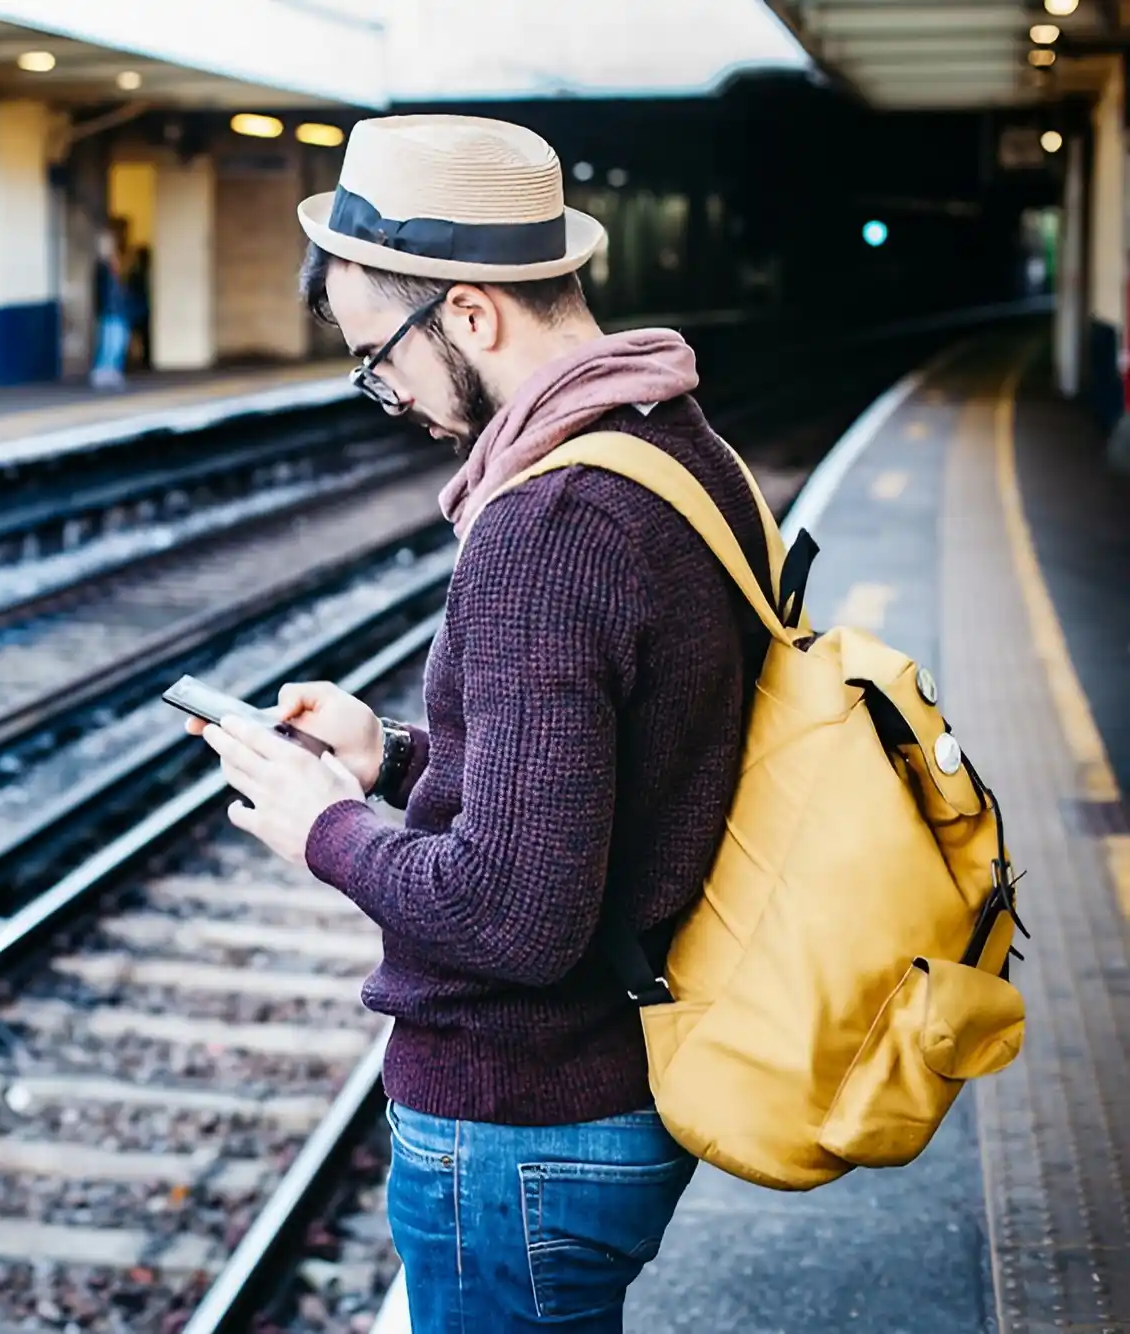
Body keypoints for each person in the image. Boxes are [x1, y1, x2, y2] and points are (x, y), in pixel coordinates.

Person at [190, 114, 773, 1330]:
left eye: (377, 355)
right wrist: (392, 754)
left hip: (521, 1119)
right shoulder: (678, 446)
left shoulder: (544, 526)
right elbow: (619, 768)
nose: (382, 392)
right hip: (607, 1084)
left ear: (467, 312)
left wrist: (324, 824)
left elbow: (511, 911)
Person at [90, 229, 129, 389]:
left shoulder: (113, 269)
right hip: (109, 310)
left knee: (118, 341)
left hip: (117, 310)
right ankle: (102, 371)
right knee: (109, 342)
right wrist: (101, 309)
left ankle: (112, 370)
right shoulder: (102, 267)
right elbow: (100, 292)